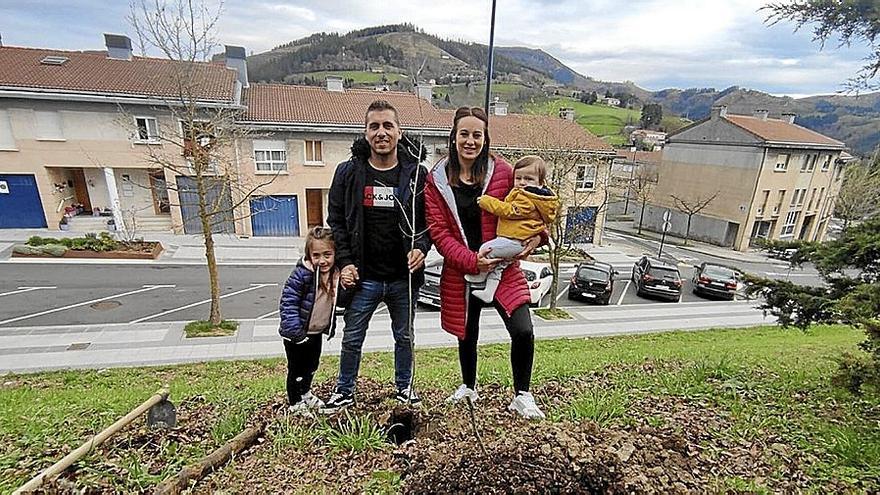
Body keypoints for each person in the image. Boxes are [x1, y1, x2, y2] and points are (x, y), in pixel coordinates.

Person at [424, 106, 546, 420]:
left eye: (477, 134)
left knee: (523, 330)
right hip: (462, 269)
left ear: (485, 138)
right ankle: (468, 386)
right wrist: (470, 260)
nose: (470, 140)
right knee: (467, 333)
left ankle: (522, 395)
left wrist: (540, 236)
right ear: (453, 137)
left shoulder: (503, 172)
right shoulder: (437, 178)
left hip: (503, 267)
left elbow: (532, 204)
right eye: (464, 133)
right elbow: (437, 230)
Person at [322, 100, 431, 413]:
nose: (381, 132)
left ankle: (405, 390)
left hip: (403, 278)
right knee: (352, 336)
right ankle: (343, 391)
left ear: (399, 131)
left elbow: (430, 221)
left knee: (405, 337)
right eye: (374, 126)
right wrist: (345, 263)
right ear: (365, 132)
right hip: (364, 277)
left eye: (387, 125)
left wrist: (421, 248)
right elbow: (337, 221)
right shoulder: (348, 173)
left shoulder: (417, 175)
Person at [468, 155, 558, 303]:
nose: (522, 182)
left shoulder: (527, 197)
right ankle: (488, 292)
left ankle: (481, 275)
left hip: (515, 240)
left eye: (529, 179)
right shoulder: (533, 196)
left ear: (541, 183)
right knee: (499, 266)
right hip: (518, 240)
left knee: (487, 249)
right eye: (519, 178)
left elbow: (509, 210)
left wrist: (487, 201)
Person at [278, 227, 340, 416]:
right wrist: (295, 333)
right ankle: (295, 402)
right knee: (296, 369)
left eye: (327, 254)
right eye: (316, 255)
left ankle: (305, 393)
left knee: (312, 366)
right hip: (297, 334)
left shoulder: (335, 274)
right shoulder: (301, 275)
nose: (322, 260)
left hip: (316, 332)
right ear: (309, 256)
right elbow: (288, 303)